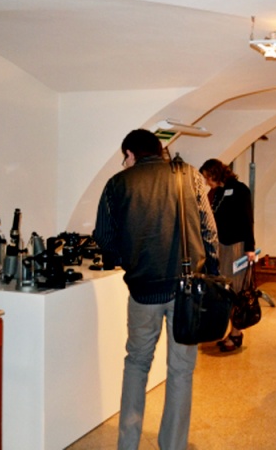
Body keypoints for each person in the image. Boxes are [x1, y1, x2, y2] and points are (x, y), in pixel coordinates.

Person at [93, 129, 219, 450]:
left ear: (130, 154)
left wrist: (128, 261)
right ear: (160, 149)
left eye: (125, 158)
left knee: (136, 364)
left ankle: (128, 444)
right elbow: (209, 230)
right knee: (181, 371)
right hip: (186, 291)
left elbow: (104, 237)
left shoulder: (116, 184)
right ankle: (173, 445)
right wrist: (211, 271)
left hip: (142, 291)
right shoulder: (189, 176)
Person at [199, 158, 256, 352]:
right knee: (224, 290)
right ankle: (229, 331)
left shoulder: (240, 189)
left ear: (216, 173)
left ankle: (236, 333)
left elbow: (248, 220)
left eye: (208, 177)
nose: (207, 182)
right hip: (220, 246)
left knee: (237, 290)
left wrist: (250, 248)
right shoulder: (217, 192)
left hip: (237, 246)